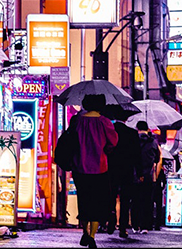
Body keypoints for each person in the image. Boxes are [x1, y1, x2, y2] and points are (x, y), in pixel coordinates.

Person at [71, 94, 118, 249]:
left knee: (83, 200)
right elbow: (112, 142)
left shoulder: (77, 121)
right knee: (97, 203)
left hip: (80, 167)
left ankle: (84, 231)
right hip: (100, 168)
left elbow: (71, 140)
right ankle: (92, 235)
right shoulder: (105, 122)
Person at [105, 118, 139, 238]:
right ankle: (123, 227)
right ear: (127, 118)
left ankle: (111, 219)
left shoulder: (109, 131)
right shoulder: (132, 133)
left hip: (111, 169)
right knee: (125, 199)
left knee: (110, 196)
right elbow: (137, 155)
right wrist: (139, 173)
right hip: (127, 170)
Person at [131, 120, 161, 234]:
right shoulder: (153, 142)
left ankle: (135, 225)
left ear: (137, 129)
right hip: (148, 176)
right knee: (147, 201)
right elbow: (157, 159)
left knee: (135, 201)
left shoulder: (133, 141)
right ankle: (145, 226)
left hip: (134, 176)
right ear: (148, 129)